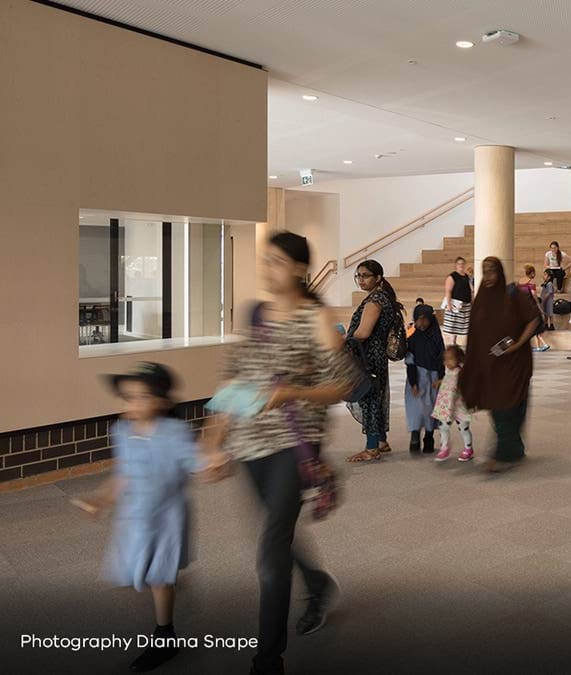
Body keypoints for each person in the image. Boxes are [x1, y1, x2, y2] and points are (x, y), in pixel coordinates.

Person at [204, 231, 351, 675]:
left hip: (294, 441)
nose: (267, 269)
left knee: (270, 547)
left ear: (300, 269)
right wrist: (212, 440)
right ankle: (317, 583)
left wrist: (294, 391)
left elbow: (343, 384)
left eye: (277, 262)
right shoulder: (258, 314)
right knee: (276, 532)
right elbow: (236, 380)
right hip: (250, 441)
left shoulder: (317, 318)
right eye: (264, 261)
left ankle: (268, 659)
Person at [73, 363, 221, 673]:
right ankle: (165, 593)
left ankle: (165, 636)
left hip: (166, 517)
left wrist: (214, 464)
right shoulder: (122, 430)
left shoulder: (173, 434)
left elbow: (198, 464)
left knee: (159, 577)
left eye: (141, 397)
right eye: (127, 397)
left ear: (162, 402)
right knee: (136, 572)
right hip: (134, 516)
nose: (131, 404)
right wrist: (102, 498)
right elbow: (123, 472)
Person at [459, 257, 542, 473]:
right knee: (497, 407)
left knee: (507, 407)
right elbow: (476, 335)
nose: (488, 277)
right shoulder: (482, 299)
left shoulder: (512, 295)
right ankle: (513, 449)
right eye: (485, 272)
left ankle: (503, 454)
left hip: (513, 365)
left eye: (492, 271)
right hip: (490, 366)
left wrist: (517, 344)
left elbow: (534, 319)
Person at [345, 259, 399, 462]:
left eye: (365, 275)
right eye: (358, 275)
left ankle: (372, 447)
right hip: (375, 355)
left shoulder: (375, 300)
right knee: (377, 395)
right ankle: (381, 441)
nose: (361, 279)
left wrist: (344, 341)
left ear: (378, 278)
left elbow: (363, 332)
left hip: (368, 356)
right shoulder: (383, 297)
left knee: (370, 399)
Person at [406, 303, 445, 453]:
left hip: (433, 380)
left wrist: (441, 377)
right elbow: (410, 362)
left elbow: (442, 358)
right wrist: (413, 382)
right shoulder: (413, 339)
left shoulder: (436, 338)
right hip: (416, 378)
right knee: (416, 410)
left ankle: (429, 438)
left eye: (425, 319)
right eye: (418, 319)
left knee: (431, 410)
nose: (421, 323)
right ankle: (414, 438)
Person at [432, 345, 473, 462]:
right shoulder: (448, 372)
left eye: (450, 359)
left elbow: (464, 387)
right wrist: (439, 382)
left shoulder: (461, 373)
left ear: (459, 359)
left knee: (463, 428)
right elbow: (447, 379)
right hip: (446, 406)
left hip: (459, 407)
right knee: (443, 427)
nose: (446, 362)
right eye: (445, 359)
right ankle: (444, 447)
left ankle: (468, 448)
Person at [518, 264, 551, 352]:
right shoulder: (531, 284)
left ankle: (537, 345)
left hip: (521, 307)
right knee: (535, 328)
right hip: (530, 308)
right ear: (532, 273)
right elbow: (534, 296)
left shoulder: (520, 282)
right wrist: (540, 308)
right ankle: (541, 345)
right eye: (534, 273)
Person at [442, 257, 473, 345]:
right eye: (459, 264)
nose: (461, 265)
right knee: (454, 324)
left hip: (465, 304)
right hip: (455, 304)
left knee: (463, 325)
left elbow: (470, 290)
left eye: (463, 263)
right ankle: (453, 342)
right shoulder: (452, 276)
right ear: (456, 265)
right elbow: (448, 290)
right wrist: (449, 304)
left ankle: (459, 342)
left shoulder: (466, 277)